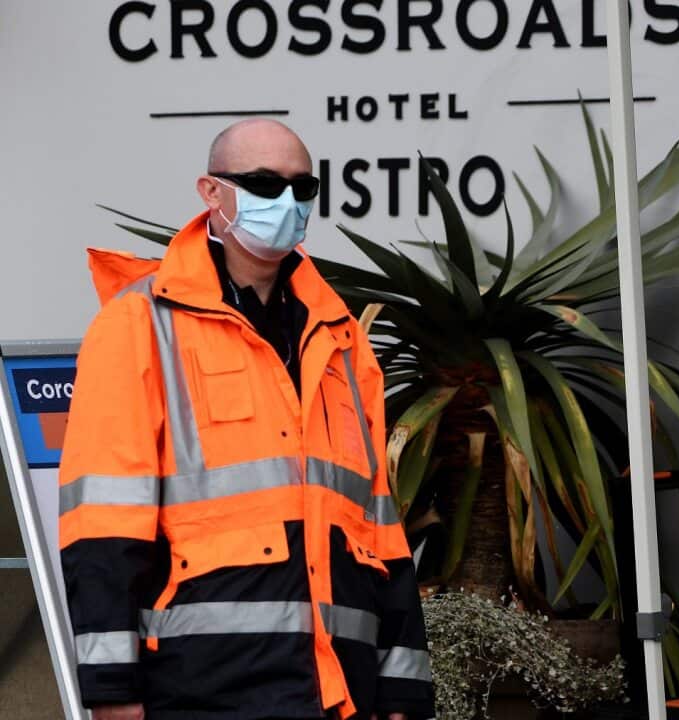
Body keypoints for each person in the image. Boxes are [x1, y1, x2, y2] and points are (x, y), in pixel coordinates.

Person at [58, 119, 434, 720]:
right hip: (199, 689)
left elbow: (379, 527)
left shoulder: (342, 342)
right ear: (211, 192)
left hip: (339, 691)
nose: (286, 202)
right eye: (262, 183)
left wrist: (403, 689)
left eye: (301, 188)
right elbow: (104, 524)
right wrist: (111, 691)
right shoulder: (140, 325)